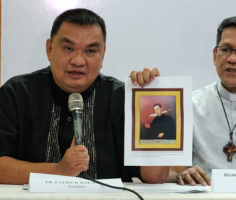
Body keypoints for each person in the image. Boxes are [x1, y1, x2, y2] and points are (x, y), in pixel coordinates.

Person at [0, 8, 168, 184]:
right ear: (49, 49)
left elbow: (154, 176)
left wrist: (150, 97)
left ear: (102, 55)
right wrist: (57, 171)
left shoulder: (122, 98)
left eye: (90, 51)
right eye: (68, 48)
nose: (78, 61)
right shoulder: (17, 94)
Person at [131, 15, 236, 186]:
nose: (233, 59)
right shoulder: (187, 105)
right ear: (214, 55)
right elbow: (164, 173)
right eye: (225, 49)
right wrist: (149, 91)